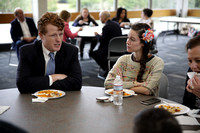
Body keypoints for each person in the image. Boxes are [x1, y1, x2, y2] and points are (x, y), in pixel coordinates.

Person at [16, 12, 82, 93]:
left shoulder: (71, 51)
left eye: (61, 34)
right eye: (53, 35)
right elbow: (22, 85)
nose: (58, 40)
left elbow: (77, 83)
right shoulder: (27, 52)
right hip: (34, 102)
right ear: (41, 35)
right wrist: (53, 78)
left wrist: (39, 84)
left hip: (64, 102)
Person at [104, 23, 164, 96]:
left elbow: (147, 90)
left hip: (145, 104)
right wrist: (135, 84)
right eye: (127, 37)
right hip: (124, 103)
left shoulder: (156, 62)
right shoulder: (123, 60)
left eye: (132, 39)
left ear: (143, 43)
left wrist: (120, 84)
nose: (127, 42)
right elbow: (107, 84)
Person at [91, 11, 122, 76]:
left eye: (100, 17)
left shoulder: (106, 27)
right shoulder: (116, 24)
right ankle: (110, 67)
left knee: (92, 53)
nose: (99, 19)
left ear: (103, 17)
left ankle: (107, 68)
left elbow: (102, 40)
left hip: (109, 50)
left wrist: (97, 35)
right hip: (119, 50)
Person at [183, 35, 200, 109]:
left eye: (198, 60)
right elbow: (186, 103)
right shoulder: (192, 71)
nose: (193, 66)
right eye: (190, 61)